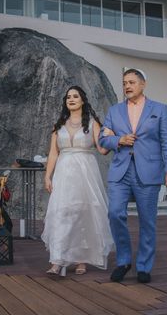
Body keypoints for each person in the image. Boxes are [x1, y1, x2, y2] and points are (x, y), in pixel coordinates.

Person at [99, 69, 167, 284]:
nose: (127, 86)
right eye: (124, 82)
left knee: (147, 221)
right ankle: (124, 261)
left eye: (132, 82)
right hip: (120, 172)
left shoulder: (159, 110)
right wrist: (118, 140)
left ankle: (144, 266)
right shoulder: (114, 111)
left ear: (143, 84)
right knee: (115, 213)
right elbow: (102, 140)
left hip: (149, 172)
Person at [41, 86, 114, 276]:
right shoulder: (58, 126)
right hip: (64, 173)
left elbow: (102, 149)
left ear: (83, 100)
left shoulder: (92, 123)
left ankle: (82, 260)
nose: (71, 99)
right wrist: (47, 176)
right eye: (68, 97)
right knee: (61, 213)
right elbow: (53, 153)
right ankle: (57, 260)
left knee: (84, 213)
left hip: (85, 173)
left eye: (75, 96)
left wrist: (113, 138)